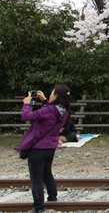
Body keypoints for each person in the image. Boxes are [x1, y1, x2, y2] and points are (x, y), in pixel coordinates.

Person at [17, 85, 71, 213]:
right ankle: (52, 198)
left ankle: (39, 208)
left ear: (56, 96)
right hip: (50, 147)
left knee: (36, 179)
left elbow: (26, 116)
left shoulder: (48, 110)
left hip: (38, 148)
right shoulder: (64, 110)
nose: (50, 95)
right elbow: (52, 111)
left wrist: (26, 104)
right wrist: (45, 100)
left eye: (52, 93)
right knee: (47, 173)